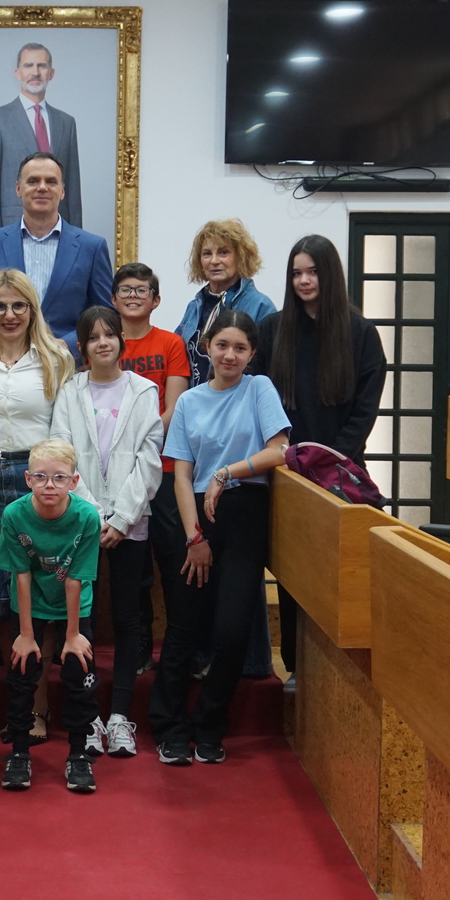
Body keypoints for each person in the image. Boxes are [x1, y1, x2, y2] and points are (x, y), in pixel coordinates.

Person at [151, 309, 291, 766]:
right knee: (184, 627)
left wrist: (226, 473)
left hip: (245, 513)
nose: (230, 355)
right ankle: (170, 727)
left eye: (240, 348)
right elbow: (181, 474)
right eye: (222, 345)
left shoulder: (259, 388)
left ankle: (209, 724)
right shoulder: (190, 401)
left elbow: (279, 450)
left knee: (232, 630)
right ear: (206, 347)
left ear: (252, 353)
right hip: (195, 516)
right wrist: (195, 538)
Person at [252, 234, 387, 681]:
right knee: (294, 576)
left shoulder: (361, 333)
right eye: (296, 273)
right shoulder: (272, 330)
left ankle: (337, 678)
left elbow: (365, 411)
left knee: (339, 578)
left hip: (340, 475)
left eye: (312, 272)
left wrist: (327, 460)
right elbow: (257, 401)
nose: (304, 280)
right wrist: (285, 459)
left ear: (330, 275)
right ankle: (296, 669)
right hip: (285, 474)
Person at [0, 268, 74, 746]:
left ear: (32, 309)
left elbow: (64, 426)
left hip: (36, 477)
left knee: (37, 600)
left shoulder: (56, 357)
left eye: (18, 306)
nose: (9, 315)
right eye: (0, 306)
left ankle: (36, 707)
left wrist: (55, 482)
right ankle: (7, 702)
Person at [49, 306, 162, 759]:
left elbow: (149, 461)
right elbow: (62, 456)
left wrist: (122, 518)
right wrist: (96, 516)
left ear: (121, 341)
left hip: (131, 522)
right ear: (82, 346)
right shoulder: (70, 392)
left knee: (129, 619)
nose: (102, 343)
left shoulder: (143, 390)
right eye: (93, 337)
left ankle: (118, 717)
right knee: (85, 619)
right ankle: (90, 718)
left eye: (109, 335)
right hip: (83, 523)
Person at [0, 437, 103, 793]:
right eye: (40, 477)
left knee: (78, 672)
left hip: (74, 604)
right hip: (30, 602)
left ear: (74, 481)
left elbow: (76, 579)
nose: (49, 486)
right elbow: (21, 575)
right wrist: (26, 635)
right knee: (22, 673)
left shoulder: (87, 516)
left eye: (59, 478)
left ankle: (78, 753)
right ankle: (19, 752)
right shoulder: (15, 515)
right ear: (28, 479)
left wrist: (72, 636)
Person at [111, 262, 191, 673]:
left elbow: (174, 408)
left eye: (141, 290)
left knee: (173, 559)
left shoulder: (171, 343)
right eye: (125, 290)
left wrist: (137, 442)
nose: (133, 296)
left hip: (165, 467)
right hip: (119, 472)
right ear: (113, 299)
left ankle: (181, 648)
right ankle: (139, 645)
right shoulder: (105, 343)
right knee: (135, 566)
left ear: (155, 300)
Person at [0, 152, 112, 353]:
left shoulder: (92, 247)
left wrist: (67, 345)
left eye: (51, 181)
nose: (42, 187)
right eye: (33, 181)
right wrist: (0, 347)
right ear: (18, 188)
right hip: (6, 362)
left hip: (68, 362)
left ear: (62, 191)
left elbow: (105, 315)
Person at [0, 42, 83, 234]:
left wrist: (77, 240)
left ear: (51, 73)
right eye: (28, 66)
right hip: (12, 231)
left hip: (59, 231)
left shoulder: (66, 123)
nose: (35, 72)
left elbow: (72, 192)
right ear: (17, 73)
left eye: (41, 66)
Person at [177, 219, 278, 388]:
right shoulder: (194, 307)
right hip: (196, 399)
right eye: (207, 254)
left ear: (240, 257)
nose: (214, 261)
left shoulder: (261, 306)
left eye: (223, 253)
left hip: (240, 399)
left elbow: (271, 368)